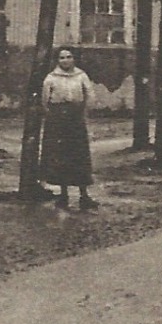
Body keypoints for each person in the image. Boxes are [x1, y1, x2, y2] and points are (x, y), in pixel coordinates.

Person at [40, 46, 98, 209]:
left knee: (79, 155)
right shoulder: (51, 78)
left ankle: (84, 195)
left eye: (69, 57)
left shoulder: (81, 76)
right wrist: (54, 116)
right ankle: (63, 195)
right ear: (57, 60)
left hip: (76, 118)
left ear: (74, 59)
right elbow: (45, 101)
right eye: (62, 58)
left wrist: (83, 112)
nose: (65, 61)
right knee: (61, 156)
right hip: (58, 119)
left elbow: (90, 95)